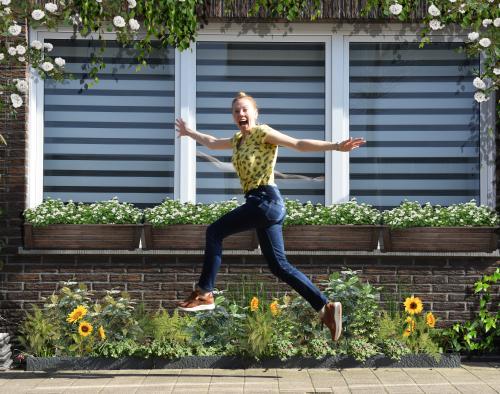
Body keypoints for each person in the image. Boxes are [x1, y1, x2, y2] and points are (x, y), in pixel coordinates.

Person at [175, 92, 366, 341]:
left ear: (255, 113)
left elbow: (297, 144)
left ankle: (204, 292)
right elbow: (211, 142)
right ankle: (325, 307)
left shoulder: (262, 133)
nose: (240, 114)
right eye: (236, 111)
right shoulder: (236, 140)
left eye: (245, 110)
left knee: (214, 231)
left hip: (264, 200)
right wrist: (190, 133)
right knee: (279, 266)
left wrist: (336, 146)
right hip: (264, 206)